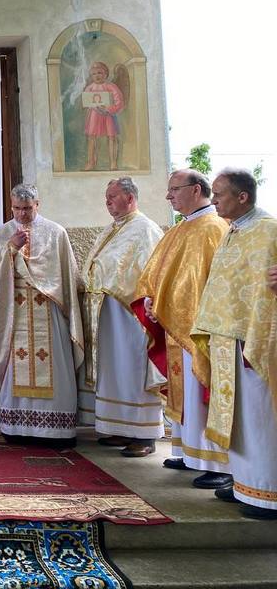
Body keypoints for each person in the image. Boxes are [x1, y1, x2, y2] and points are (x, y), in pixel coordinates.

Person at [134, 169, 229, 487]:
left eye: (174, 189)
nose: (168, 195)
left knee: (201, 391)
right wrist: (151, 300)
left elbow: (209, 284)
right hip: (174, 326)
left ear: (196, 189)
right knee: (184, 392)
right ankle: (189, 451)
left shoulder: (214, 228)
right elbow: (156, 273)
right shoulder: (179, 229)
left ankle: (215, 462)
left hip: (199, 331)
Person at [191, 169, 277, 518]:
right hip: (227, 338)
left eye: (220, 194)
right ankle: (244, 484)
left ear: (243, 197)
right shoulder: (234, 229)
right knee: (238, 417)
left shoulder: (269, 229)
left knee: (259, 416)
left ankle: (268, 493)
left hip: (257, 340)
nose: (213, 200)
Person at [0, 184, 83, 446]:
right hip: (15, 310)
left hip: (49, 310)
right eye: (17, 208)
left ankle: (55, 431)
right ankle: (17, 427)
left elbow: (69, 278)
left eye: (27, 208)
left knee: (55, 365)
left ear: (37, 205)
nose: (22, 214)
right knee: (16, 365)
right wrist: (10, 248)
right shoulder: (3, 233)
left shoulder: (56, 233)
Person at [80, 178, 164, 457]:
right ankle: (121, 427)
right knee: (115, 371)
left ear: (130, 198)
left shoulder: (145, 228)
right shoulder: (113, 228)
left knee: (133, 370)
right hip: (109, 314)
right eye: (106, 197)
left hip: (132, 316)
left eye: (113, 196)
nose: (107, 201)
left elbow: (152, 273)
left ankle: (145, 434)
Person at [82, 61, 125, 171]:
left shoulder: (111, 87)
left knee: (112, 137)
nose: (97, 76)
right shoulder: (90, 88)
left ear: (105, 74)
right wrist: (90, 105)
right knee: (91, 138)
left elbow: (119, 102)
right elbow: (86, 101)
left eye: (100, 73)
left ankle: (113, 163)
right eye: (94, 74)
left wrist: (108, 108)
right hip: (94, 115)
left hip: (108, 116)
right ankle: (91, 162)